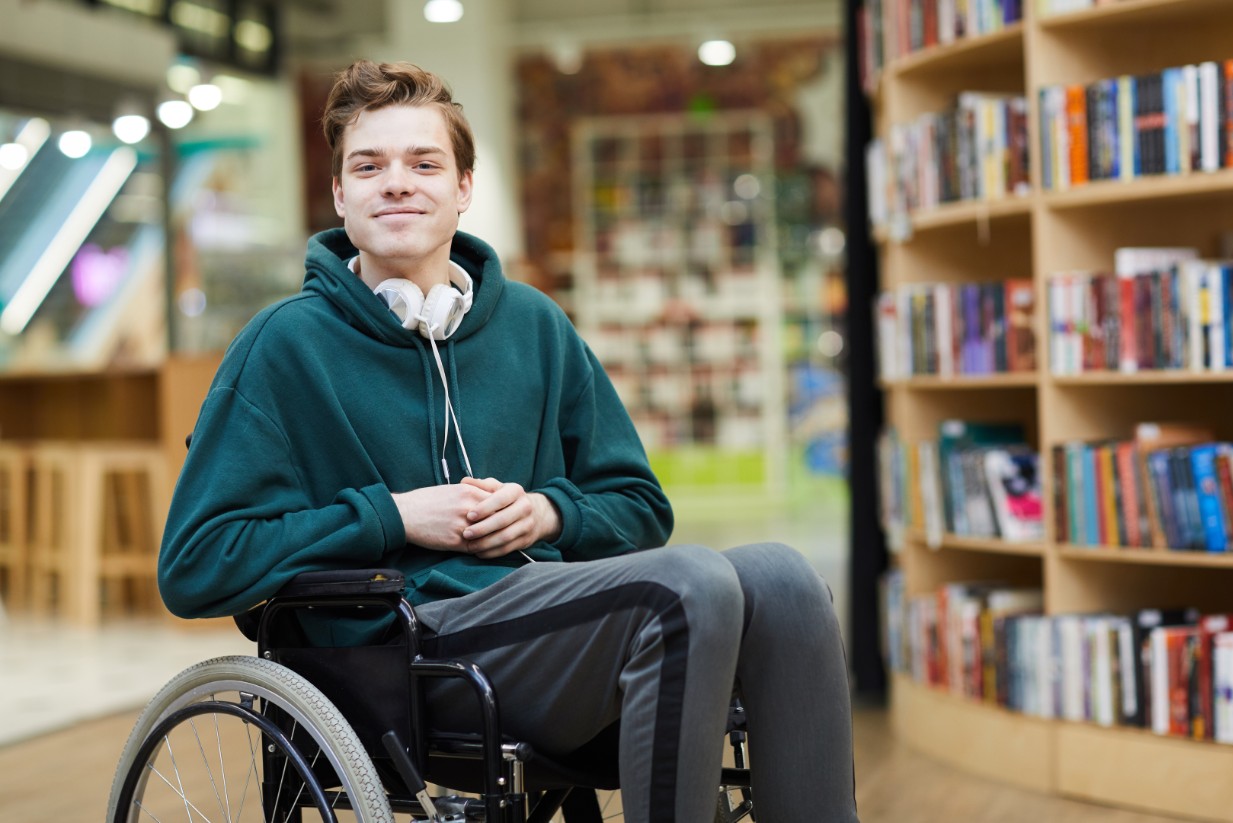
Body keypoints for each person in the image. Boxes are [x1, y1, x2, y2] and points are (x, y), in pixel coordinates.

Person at [158, 59, 858, 823]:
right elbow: (196, 563)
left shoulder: (535, 325)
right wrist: (394, 517)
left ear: (463, 188)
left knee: (785, 580)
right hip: (409, 651)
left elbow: (638, 506)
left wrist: (548, 515)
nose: (396, 182)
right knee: (686, 585)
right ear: (339, 194)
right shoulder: (282, 346)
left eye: (424, 163)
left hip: (549, 622)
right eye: (369, 166)